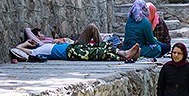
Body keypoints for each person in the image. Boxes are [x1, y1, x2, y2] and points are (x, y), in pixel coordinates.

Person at [12, 37, 141, 62]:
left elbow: (30, 32)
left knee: (103, 46)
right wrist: (25, 44)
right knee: (97, 53)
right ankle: (125, 54)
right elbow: (17, 49)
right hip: (70, 53)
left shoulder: (43, 44)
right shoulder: (37, 51)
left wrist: (33, 41)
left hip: (72, 47)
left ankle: (125, 54)